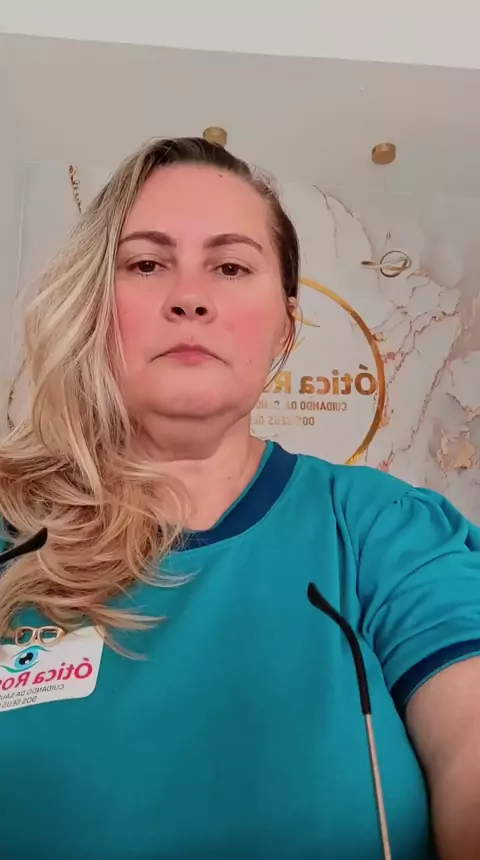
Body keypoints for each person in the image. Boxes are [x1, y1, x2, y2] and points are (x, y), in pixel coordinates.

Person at [0, 137, 479, 860]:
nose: (189, 297)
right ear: (94, 306)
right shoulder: (13, 531)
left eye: (230, 267)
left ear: (287, 320)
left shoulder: (384, 531)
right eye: (146, 264)